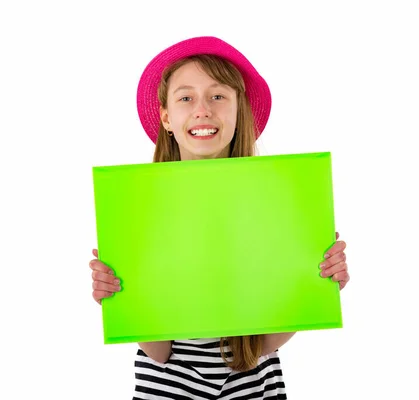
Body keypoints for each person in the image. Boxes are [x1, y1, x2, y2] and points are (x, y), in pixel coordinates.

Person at [89, 36, 350, 400]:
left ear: (238, 109)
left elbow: (262, 345)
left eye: (217, 96)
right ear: (166, 117)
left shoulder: (277, 203)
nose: (202, 109)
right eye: (185, 98)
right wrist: (122, 297)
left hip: (253, 384)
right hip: (166, 388)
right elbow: (161, 352)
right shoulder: (140, 210)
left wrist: (318, 285)